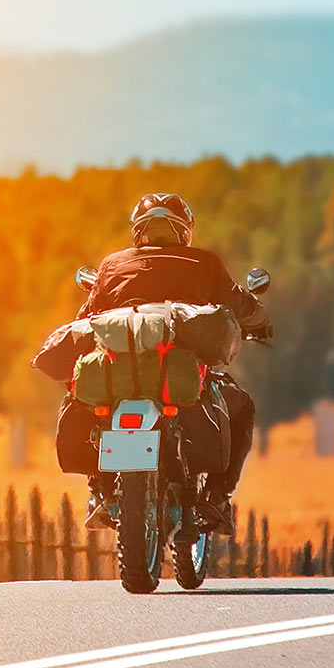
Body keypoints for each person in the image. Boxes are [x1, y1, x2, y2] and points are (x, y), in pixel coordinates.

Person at [57, 193, 271, 534]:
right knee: (241, 406)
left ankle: (99, 489)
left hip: (119, 375)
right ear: (184, 230)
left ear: (137, 231)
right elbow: (240, 304)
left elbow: (86, 318)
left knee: (81, 396)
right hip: (178, 375)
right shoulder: (204, 262)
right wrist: (260, 322)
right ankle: (217, 497)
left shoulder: (112, 264)